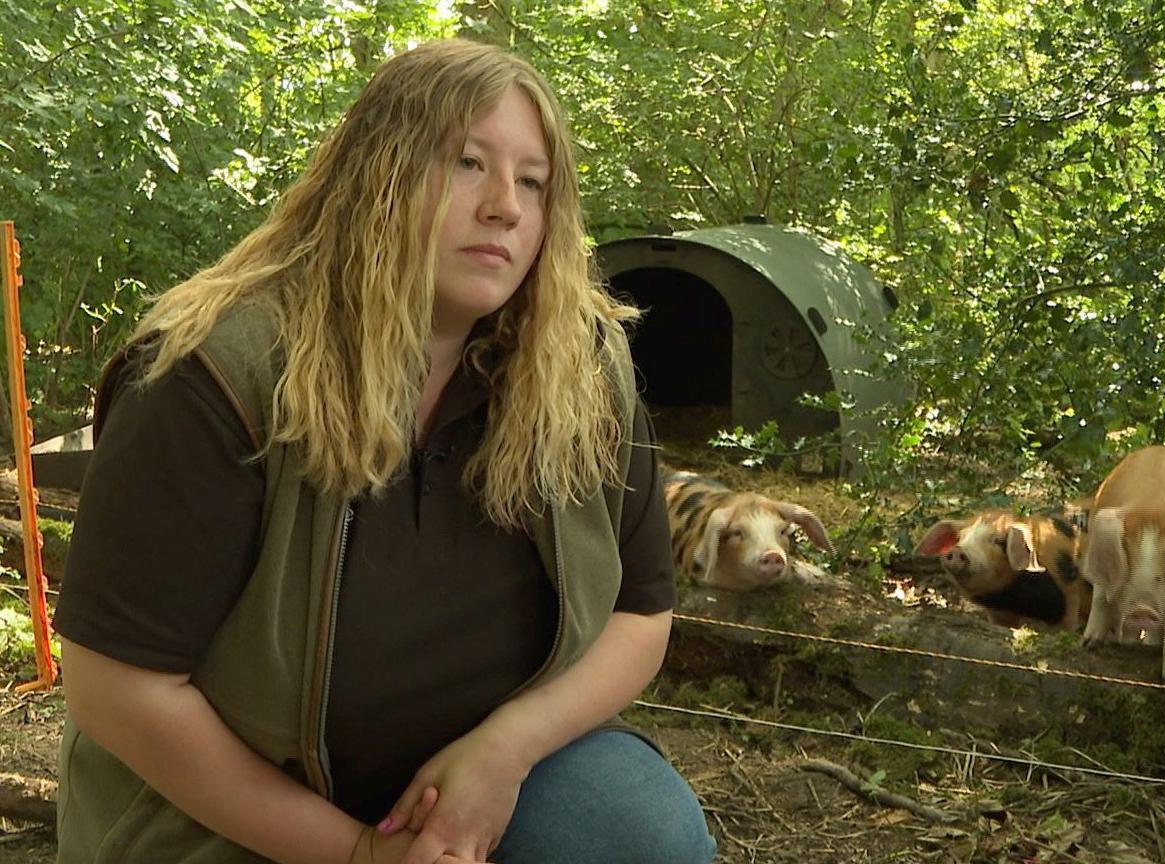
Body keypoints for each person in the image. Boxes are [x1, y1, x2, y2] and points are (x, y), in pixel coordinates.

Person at [54, 38, 716, 864]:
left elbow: (640, 614)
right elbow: (121, 691)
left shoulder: (578, 365)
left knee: (635, 835)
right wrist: (362, 855)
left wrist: (504, 753)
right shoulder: (214, 375)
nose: (506, 206)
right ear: (377, 175)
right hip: (231, 811)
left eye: (533, 181)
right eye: (469, 163)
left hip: (483, 782)